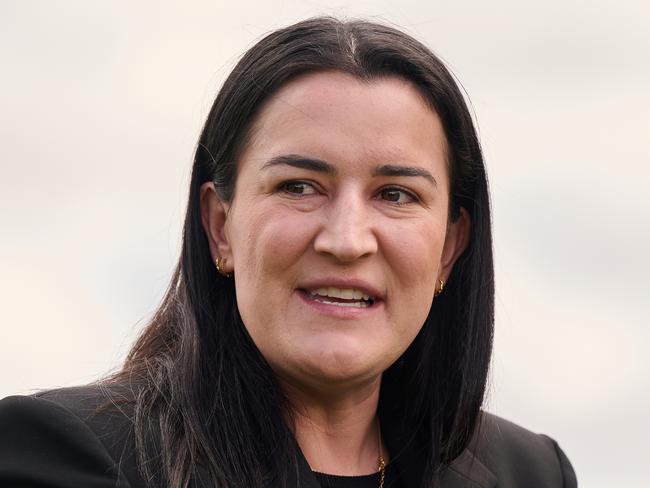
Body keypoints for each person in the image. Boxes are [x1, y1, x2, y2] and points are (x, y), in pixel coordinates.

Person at [0, 17, 576, 488]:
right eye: (298, 187)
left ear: (450, 247)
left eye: (395, 194)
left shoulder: (530, 473)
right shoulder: (68, 459)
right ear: (220, 226)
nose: (347, 240)